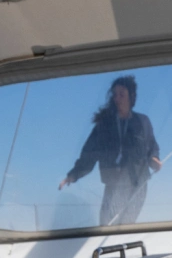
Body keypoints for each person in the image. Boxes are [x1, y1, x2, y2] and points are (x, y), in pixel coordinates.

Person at [58, 75, 162, 225]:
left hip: (137, 184)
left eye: (121, 94)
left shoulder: (142, 121)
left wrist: (154, 160)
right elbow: (89, 153)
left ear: (131, 96)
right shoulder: (104, 125)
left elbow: (151, 147)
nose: (117, 98)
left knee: (126, 225)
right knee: (106, 224)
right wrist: (73, 175)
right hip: (113, 183)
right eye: (115, 94)